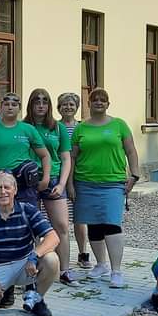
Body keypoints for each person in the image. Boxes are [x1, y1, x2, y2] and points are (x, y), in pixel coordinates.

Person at [70, 88, 141, 289]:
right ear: (89, 103)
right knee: (93, 224)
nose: (99, 103)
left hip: (112, 183)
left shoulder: (119, 125)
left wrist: (134, 175)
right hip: (84, 182)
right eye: (95, 100)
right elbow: (73, 157)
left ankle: (116, 270)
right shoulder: (81, 128)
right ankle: (101, 264)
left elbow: (131, 151)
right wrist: (70, 183)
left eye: (103, 100)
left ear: (108, 104)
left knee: (112, 224)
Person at [0, 173, 60, 316]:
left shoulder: (27, 210)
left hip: (25, 263)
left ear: (15, 190)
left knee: (51, 259)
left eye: (7, 187)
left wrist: (34, 255)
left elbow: (53, 237)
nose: (3, 191)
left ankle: (37, 299)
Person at [24, 89, 76, 286]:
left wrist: (62, 183)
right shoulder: (23, 126)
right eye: (36, 101)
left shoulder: (58, 127)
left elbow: (65, 157)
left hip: (54, 179)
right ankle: (38, 269)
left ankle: (64, 270)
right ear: (31, 104)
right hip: (28, 181)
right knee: (32, 228)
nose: (41, 105)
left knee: (61, 226)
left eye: (45, 101)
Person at [0, 92, 52, 209]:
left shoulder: (28, 129)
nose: (10, 107)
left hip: (24, 187)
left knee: (27, 222)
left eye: (14, 105)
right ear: (1, 107)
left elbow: (45, 155)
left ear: (19, 108)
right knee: (0, 222)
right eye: (6, 104)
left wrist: (46, 178)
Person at [56, 91, 90, 270]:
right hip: (60, 176)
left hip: (79, 176)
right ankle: (59, 253)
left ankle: (83, 253)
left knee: (80, 218)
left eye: (71, 105)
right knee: (61, 219)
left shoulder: (82, 127)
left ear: (76, 107)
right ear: (58, 107)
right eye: (64, 104)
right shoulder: (54, 126)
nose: (68, 107)